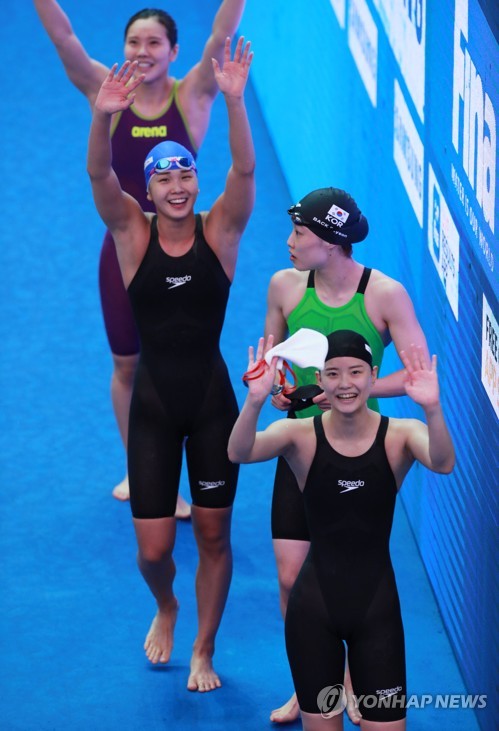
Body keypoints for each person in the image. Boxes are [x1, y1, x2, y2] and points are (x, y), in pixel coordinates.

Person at [86, 36, 255, 691]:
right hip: (154, 411)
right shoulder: (131, 235)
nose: (178, 184)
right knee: (154, 550)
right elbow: (100, 178)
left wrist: (235, 104)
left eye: (185, 172)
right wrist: (103, 118)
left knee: (214, 537)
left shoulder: (220, 232)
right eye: (164, 176)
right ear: (149, 191)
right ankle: (166, 603)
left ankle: (203, 650)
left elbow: (242, 176)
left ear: (193, 180)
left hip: (212, 405)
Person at [34, 0, 246, 508]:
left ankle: (194, 466)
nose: (143, 51)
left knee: (184, 359)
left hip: (186, 247)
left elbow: (221, 33)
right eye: (134, 42)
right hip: (126, 247)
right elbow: (65, 39)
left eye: (154, 43)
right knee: (127, 364)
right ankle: (143, 471)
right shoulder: (105, 89)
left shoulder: (192, 93)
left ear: (175, 50)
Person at [228, 330, 455, 730]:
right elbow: (239, 452)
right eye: (333, 374)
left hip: (377, 614)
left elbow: (443, 462)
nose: (345, 384)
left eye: (355, 372)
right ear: (320, 378)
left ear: (373, 375)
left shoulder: (399, 436)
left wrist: (433, 409)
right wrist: (255, 399)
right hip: (314, 613)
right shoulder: (300, 436)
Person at [264, 187, 430, 724]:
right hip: (301, 451)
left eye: (301, 235)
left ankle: (357, 676)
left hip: (359, 451)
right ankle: (313, 682)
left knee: (354, 574)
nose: (289, 243)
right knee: (292, 577)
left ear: (332, 244)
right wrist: (280, 387)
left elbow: (417, 372)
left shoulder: (385, 294)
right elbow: (274, 362)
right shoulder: (285, 288)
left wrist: (347, 390)